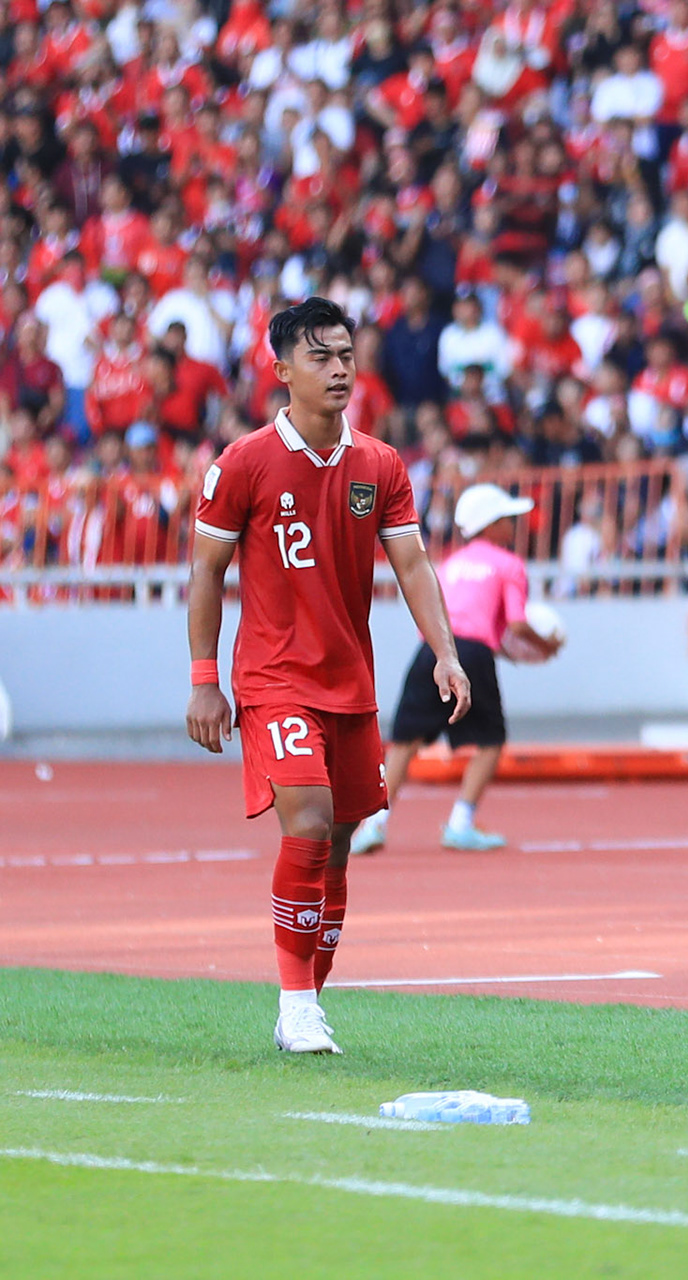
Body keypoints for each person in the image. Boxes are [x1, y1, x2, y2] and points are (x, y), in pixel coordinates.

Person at [185, 297, 472, 1056]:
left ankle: (310, 997)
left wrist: (444, 650)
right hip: (275, 676)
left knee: (341, 844)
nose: (340, 369)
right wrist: (204, 678)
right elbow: (206, 572)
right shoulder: (240, 464)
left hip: (352, 682)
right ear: (282, 371)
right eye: (321, 357)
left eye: (346, 355)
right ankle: (295, 1004)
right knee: (308, 821)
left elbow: (411, 561)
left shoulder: (378, 463)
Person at [351, 483, 561, 855]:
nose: (513, 524)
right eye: (507, 518)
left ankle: (374, 824)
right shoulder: (509, 565)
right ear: (490, 524)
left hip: (431, 650)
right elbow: (515, 624)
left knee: (404, 742)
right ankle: (461, 822)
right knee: (491, 741)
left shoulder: (449, 565)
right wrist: (546, 648)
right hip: (473, 654)